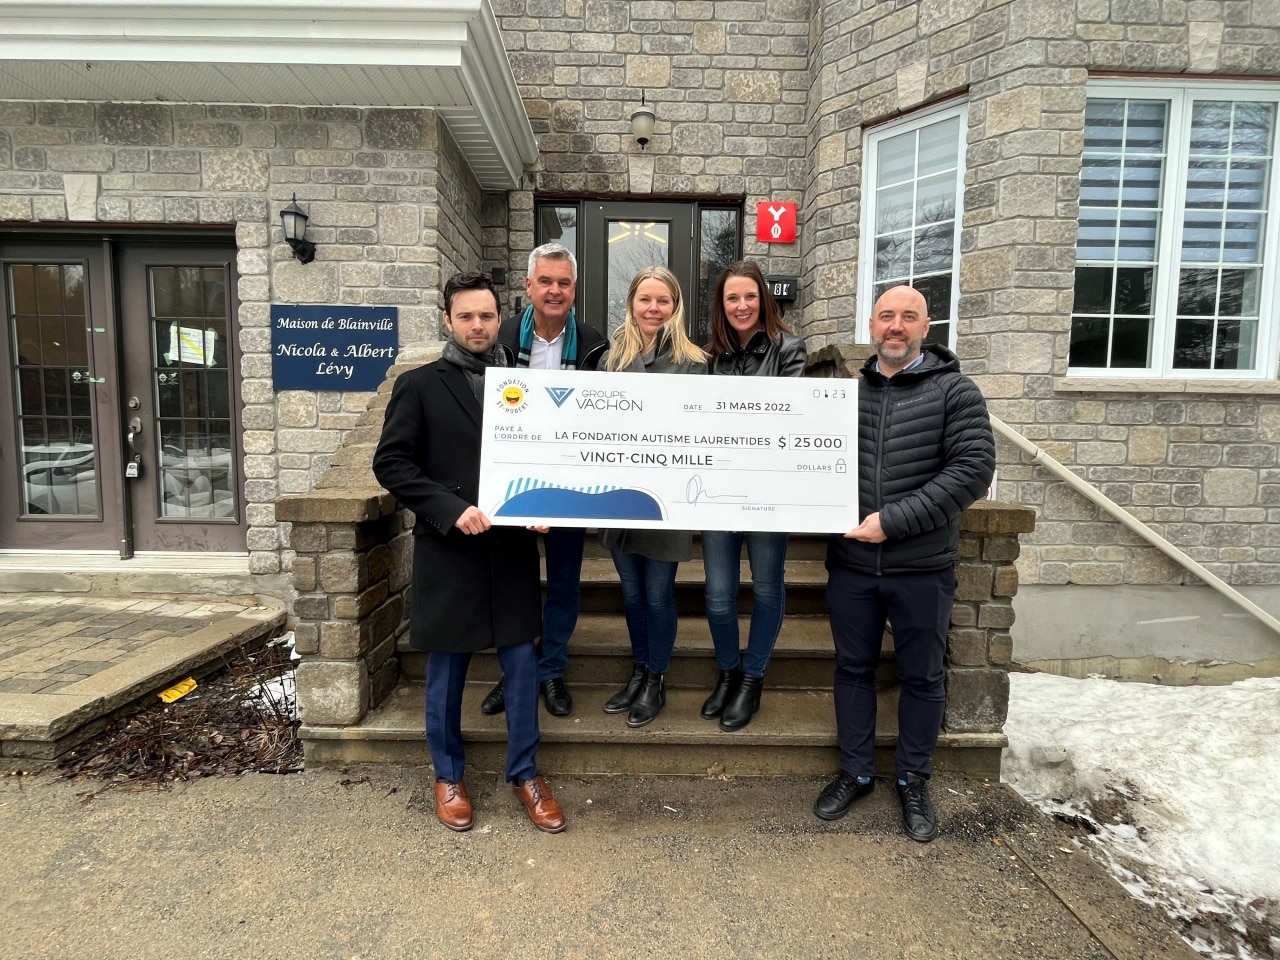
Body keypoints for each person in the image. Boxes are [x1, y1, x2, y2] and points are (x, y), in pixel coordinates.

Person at [372, 271, 566, 835]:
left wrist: (544, 499)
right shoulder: (418, 385)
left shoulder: (523, 382)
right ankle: (448, 773)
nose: (478, 326)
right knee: (447, 669)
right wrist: (448, 509)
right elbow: (392, 464)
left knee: (522, 665)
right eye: (467, 316)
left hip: (510, 545)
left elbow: (547, 456)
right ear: (447, 320)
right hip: (451, 544)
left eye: (487, 316)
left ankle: (526, 772)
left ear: (498, 318)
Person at [815, 284, 994, 843]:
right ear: (871, 323)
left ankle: (914, 779)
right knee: (852, 670)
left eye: (908, 318)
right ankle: (856, 770)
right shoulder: (841, 396)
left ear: (926, 326)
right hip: (850, 566)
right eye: (886, 316)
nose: (896, 326)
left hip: (921, 567)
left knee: (922, 676)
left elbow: (971, 472)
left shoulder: (956, 393)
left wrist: (891, 521)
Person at [480, 242, 607, 720]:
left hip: (570, 488)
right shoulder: (503, 337)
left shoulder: (595, 344)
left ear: (575, 289)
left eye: (565, 282)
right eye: (546, 281)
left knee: (565, 585)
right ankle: (516, 671)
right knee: (513, 585)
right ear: (529, 286)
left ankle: (551, 667)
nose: (555, 290)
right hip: (510, 487)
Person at [699, 261, 807, 732]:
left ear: (763, 299)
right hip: (720, 489)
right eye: (731, 298)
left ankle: (753, 677)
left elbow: (790, 415)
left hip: (770, 489)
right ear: (721, 306)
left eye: (749, 296)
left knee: (767, 586)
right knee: (719, 594)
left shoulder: (790, 349)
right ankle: (728, 670)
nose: (741, 306)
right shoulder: (709, 357)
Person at [598, 266, 707, 728]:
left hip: (666, 501)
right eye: (645, 299)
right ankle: (639, 669)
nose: (653, 309)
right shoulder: (610, 359)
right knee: (631, 593)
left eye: (663, 301)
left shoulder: (695, 362)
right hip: (621, 495)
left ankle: (657, 678)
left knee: (659, 596)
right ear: (631, 303)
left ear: (676, 306)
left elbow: (701, 431)